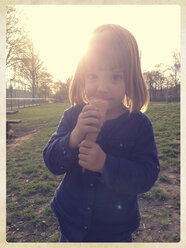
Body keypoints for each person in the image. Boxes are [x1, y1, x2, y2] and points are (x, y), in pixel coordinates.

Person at [43, 24, 160, 242]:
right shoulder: (72, 116)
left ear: (130, 80)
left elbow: (146, 176)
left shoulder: (139, 125)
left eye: (115, 77)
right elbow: (51, 161)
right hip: (71, 223)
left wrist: (105, 164)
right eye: (93, 76)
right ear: (82, 78)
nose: (102, 87)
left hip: (115, 230)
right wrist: (73, 137)